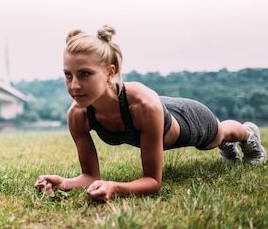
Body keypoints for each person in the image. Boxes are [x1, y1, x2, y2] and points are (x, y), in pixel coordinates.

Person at [34, 25, 265, 201]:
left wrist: (116, 188)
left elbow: (153, 181)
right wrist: (63, 183)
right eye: (68, 75)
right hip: (157, 112)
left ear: (109, 72)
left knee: (216, 137)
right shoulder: (78, 115)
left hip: (187, 118)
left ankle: (247, 134)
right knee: (216, 139)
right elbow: (90, 177)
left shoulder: (143, 106)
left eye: (84, 74)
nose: (74, 85)